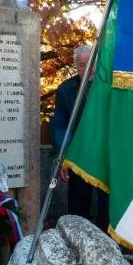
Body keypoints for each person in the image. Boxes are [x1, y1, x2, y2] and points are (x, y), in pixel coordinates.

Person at [50, 44, 109, 231]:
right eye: (82, 64)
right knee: (78, 205)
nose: (88, 68)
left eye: (91, 63)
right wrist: (61, 156)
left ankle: (107, 243)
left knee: (107, 204)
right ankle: (77, 238)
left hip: (105, 154)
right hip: (78, 155)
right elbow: (60, 126)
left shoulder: (109, 86)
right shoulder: (66, 89)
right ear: (76, 66)